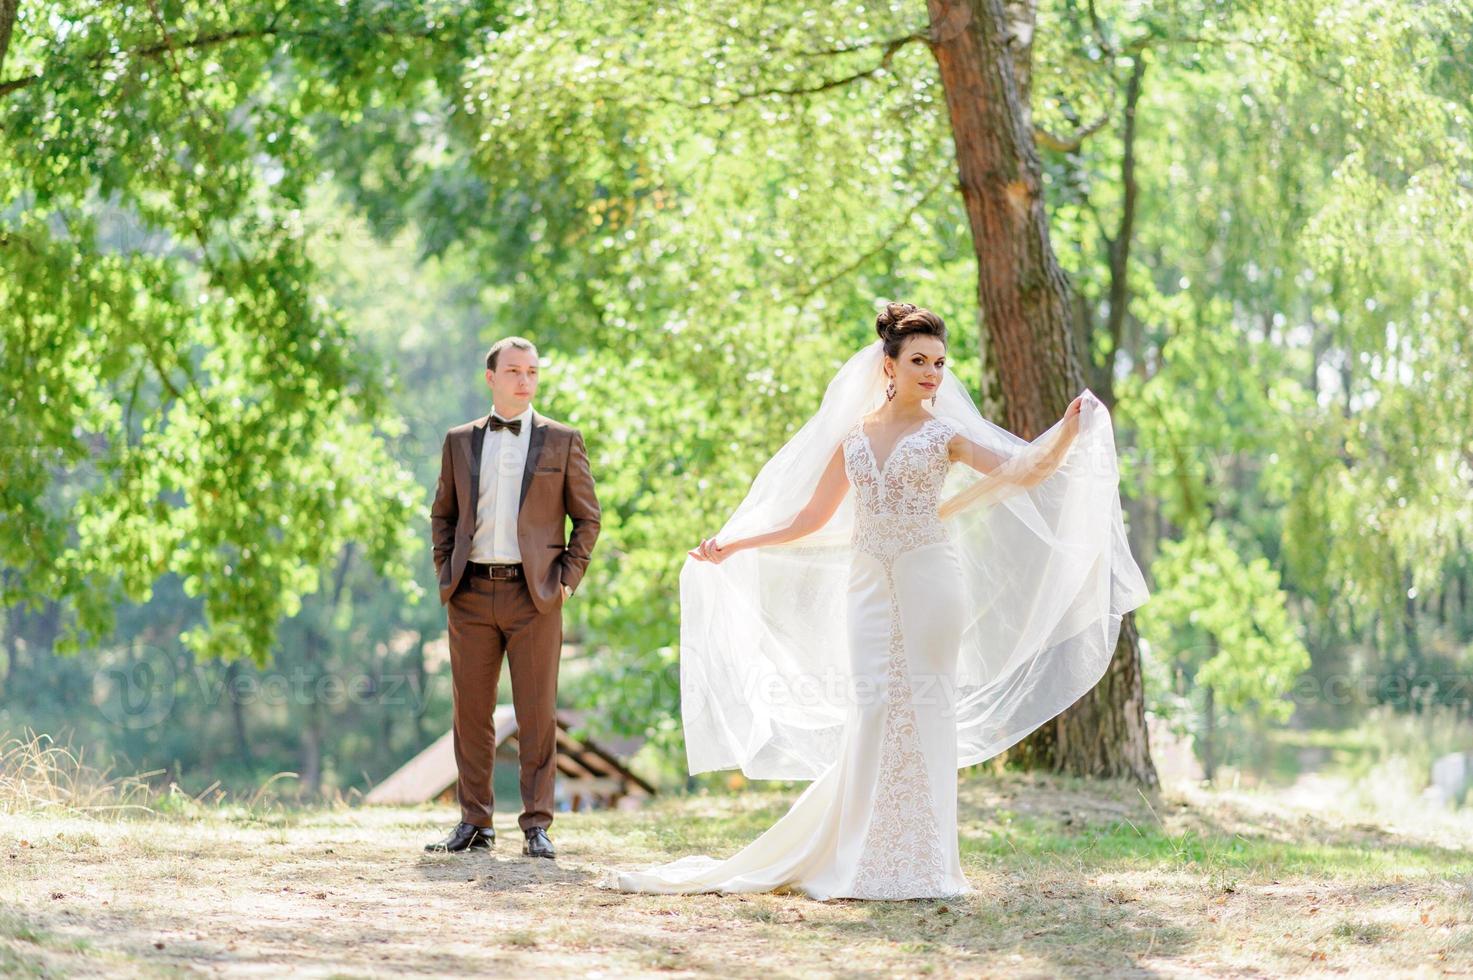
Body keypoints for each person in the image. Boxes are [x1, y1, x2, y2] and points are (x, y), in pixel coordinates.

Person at [602, 302, 1149, 899]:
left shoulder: (948, 435)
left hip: (931, 582)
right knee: (872, 708)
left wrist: (1069, 429)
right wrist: (732, 544)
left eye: (939, 362)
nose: (932, 373)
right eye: (919, 360)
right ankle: (860, 851)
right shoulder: (854, 437)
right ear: (888, 364)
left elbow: (1025, 473)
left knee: (926, 709)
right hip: (865, 587)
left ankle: (925, 858)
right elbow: (807, 518)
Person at [425, 336, 601, 859]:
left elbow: (587, 518)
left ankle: (536, 826)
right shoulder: (459, 441)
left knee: (537, 714)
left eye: (533, 372)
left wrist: (566, 581)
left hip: (535, 596)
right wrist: (446, 574)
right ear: (491, 377)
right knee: (471, 715)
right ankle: (475, 822)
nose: (525, 381)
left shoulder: (562, 440)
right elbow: (443, 515)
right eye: (515, 371)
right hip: (471, 594)